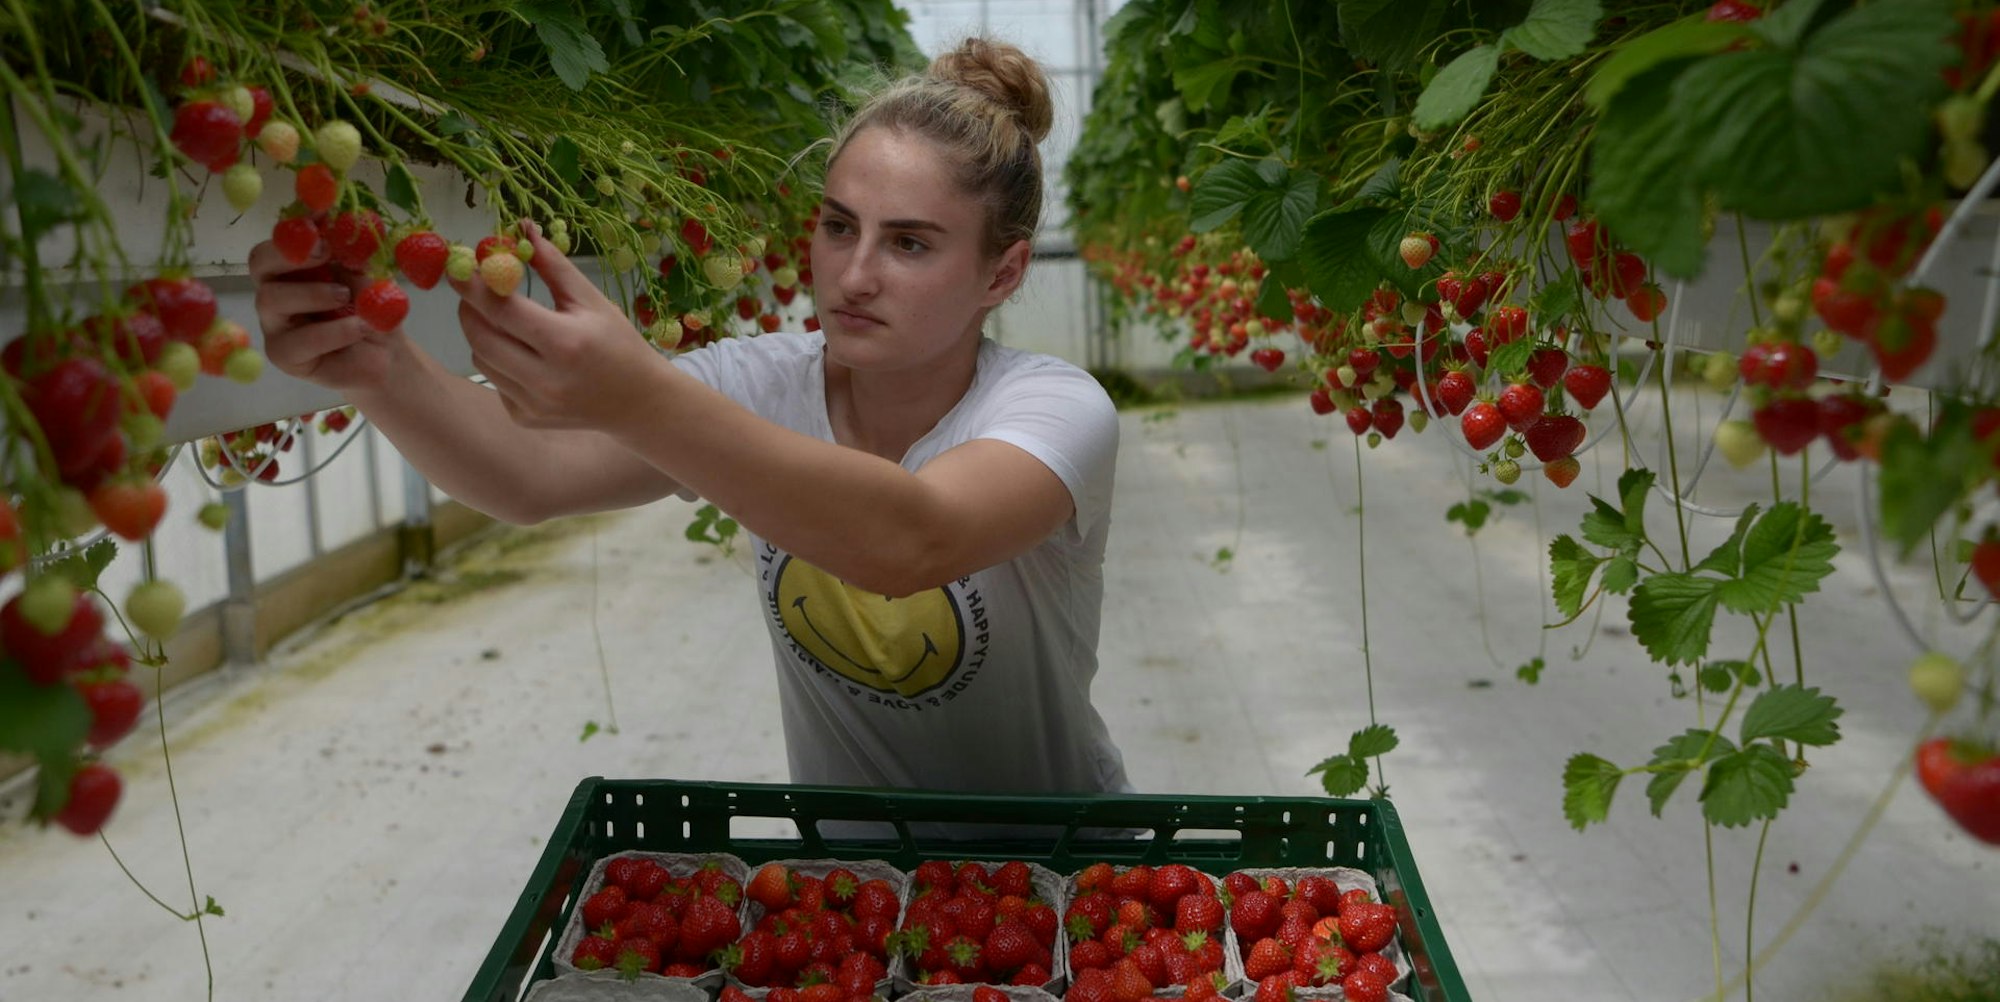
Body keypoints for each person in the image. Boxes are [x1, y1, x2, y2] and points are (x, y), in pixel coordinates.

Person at [250, 37, 1131, 804]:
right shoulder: (756, 382)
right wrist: (376, 363)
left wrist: (637, 394)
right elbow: (528, 476)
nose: (853, 274)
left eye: (909, 243)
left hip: (1065, 878)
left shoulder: (1055, 409)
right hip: (848, 893)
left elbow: (912, 540)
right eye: (837, 225)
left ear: (1003, 273)